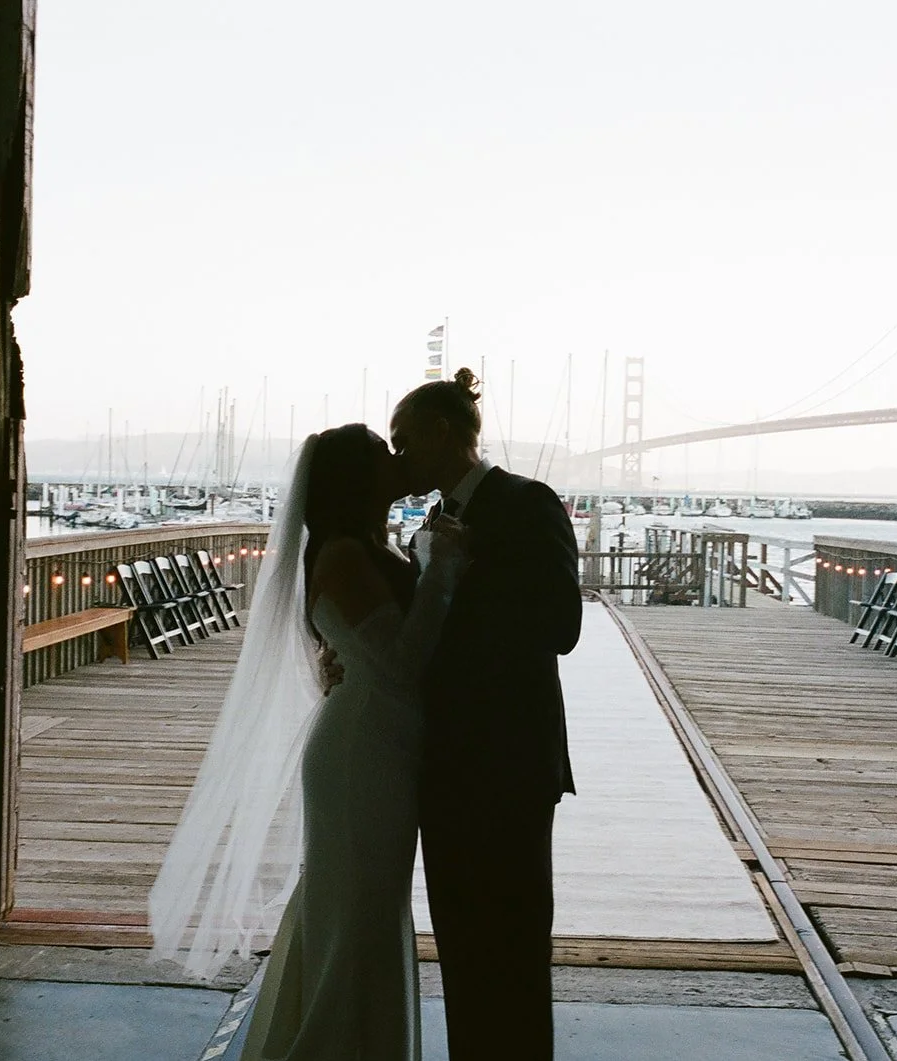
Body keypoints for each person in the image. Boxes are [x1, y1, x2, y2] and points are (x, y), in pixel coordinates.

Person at [148, 423, 471, 1060]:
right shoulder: (345, 555)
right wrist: (438, 569)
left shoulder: (364, 548)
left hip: (384, 739)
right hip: (363, 750)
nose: (397, 460)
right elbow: (402, 663)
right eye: (384, 454)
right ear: (356, 478)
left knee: (360, 906)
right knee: (358, 911)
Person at [390, 367, 582, 1061]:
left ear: (445, 433)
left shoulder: (529, 502)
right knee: (461, 946)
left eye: (404, 440)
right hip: (444, 761)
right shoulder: (437, 518)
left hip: (511, 760)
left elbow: (561, 624)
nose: (398, 455)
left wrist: (461, 580)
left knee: (517, 943)